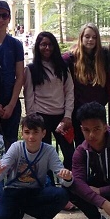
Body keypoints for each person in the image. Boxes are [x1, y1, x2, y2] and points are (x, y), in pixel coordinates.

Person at [0, 114, 73, 219]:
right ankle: (16, 214)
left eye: (35, 132)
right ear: (22, 133)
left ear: (43, 133)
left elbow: (62, 177)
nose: (31, 137)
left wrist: (67, 178)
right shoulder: (16, 147)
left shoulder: (49, 151)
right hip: (14, 191)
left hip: (35, 191)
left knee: (62, 194)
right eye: (27, 132)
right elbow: (1, 171)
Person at [24, 31, 75, 168]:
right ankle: (47, 180)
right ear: (38, 46)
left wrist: (67, 115)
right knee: (43, 156)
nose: (47, 48)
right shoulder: (31, 69)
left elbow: (69, 91)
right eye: (43, 44)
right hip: (41, 117)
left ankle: (68, 179)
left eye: (50, 44)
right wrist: (32, 119)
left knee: (70, 153)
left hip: (61, 117)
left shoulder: (63, 67)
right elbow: (29, 95)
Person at [0, 1, 24, 148]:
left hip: (10, 101)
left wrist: (12, 104)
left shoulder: (16, 44)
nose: (0, 19)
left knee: (10, 144)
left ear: (9, 19)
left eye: (4, 15)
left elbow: (20, 76)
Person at [63, 23, 108, 149]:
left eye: (94, 37)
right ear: (81, 38)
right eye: (87, 37)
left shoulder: (103, 56)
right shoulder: (70, 58)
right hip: (78, 111)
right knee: (81, 145)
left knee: (99, 144)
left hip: (98, 110)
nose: (90, 40)